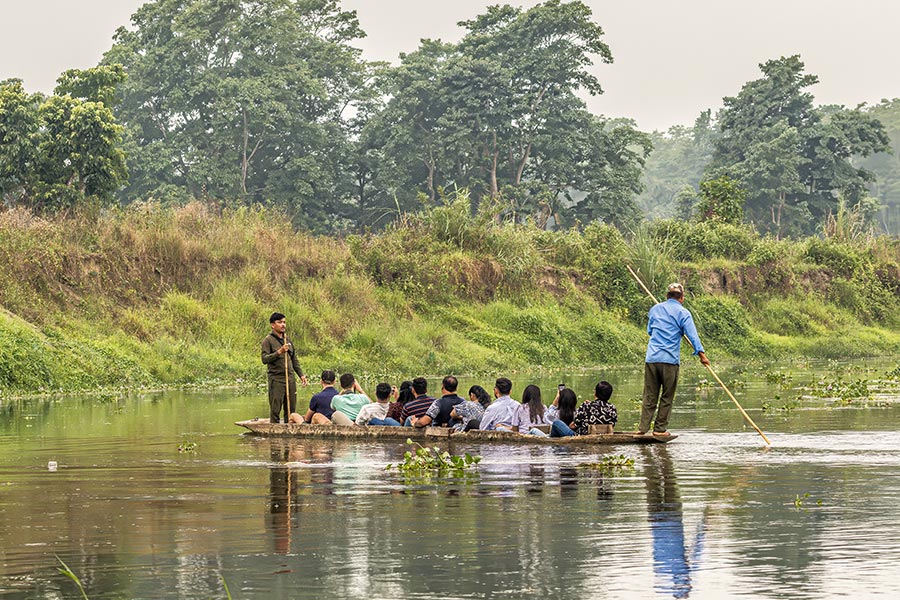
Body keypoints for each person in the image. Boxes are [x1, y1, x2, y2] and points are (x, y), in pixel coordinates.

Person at [641, 283, 710, 436]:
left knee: (649, 396)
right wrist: (702, 355)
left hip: (652, 358)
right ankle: (659, 430)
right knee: (667, 396)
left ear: (667, 296)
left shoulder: (655, 309)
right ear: (682, 298)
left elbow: (650, 331)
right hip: (669, 361)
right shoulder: (683, 313)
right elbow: (693, 336)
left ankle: (642, 428)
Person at [261, 312, 308, 423]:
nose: (283, 325)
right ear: (273, 325)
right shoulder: (268, 340)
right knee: (275, 408)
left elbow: (294, 360)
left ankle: (289, 428)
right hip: (277, 379)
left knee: (291, 409)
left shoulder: (288, 340)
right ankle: (274, 429)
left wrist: (301, 375)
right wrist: (279, 352)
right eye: (279, 322)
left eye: (284, 322)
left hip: (290, 378)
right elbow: (264, 359)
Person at [551, 381, 618, 437]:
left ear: (595, 393)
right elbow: (612, 425)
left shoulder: (586, 406)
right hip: (604, 436)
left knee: (556, 423)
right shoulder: (612, 408)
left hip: (580, 436)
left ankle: (552, 442)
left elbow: (573, 426)